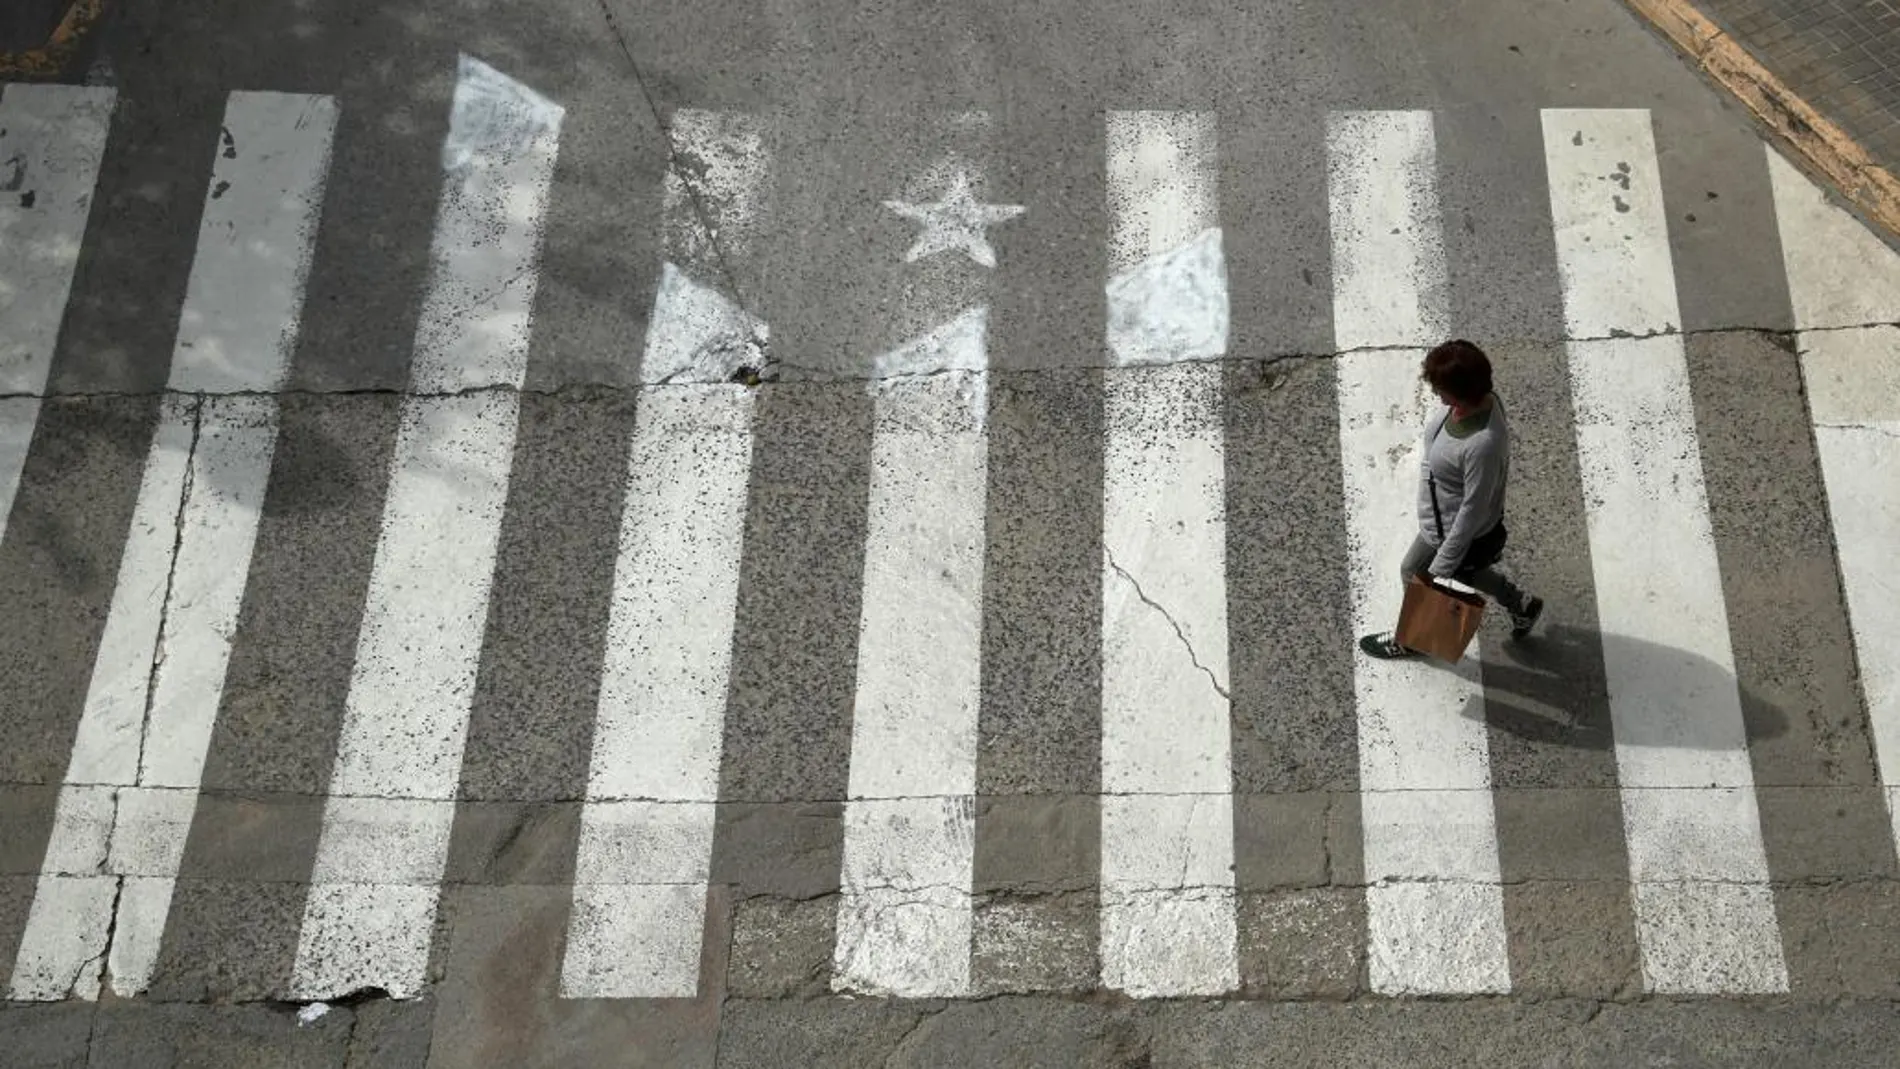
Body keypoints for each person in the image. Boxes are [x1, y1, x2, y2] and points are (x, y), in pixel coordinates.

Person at [1359, 339, 1542, 659]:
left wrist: (1443, 560)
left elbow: (1473, 509)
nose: (1435, 394)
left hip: (1448, 530)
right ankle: (1520, 604)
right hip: (1442, 520)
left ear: (1461, 391)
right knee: (1467, 572)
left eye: (1440, 388)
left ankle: (1412, 640)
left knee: (1413, 571)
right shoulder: (1482, 401)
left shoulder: (1483, 445)